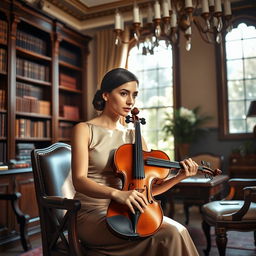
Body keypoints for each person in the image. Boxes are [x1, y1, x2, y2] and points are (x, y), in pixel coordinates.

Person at [71, 68, 199, 256]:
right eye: (123, 93)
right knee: (170, 235)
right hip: (91, 214)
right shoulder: (84, 129)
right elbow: (79, 180)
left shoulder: (134, 136)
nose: (130, 101)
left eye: (134, 95)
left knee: (177, 231)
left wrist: (179, 177)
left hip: (127, 211)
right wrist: (117, 194)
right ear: (106, 95)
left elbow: (145, 191)